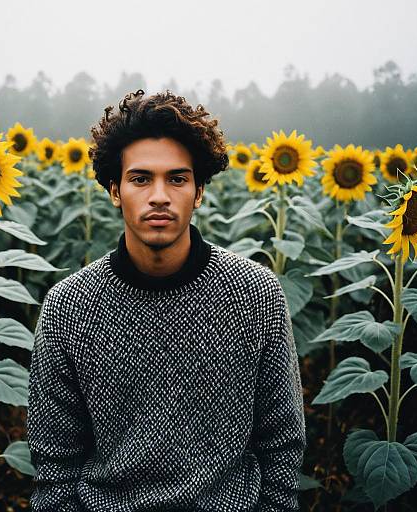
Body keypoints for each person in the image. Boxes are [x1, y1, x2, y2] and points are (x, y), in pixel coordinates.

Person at [26, 89, 306, 512]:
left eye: (177, 179)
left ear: (199, 192)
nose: (159, 196)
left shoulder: (256, 295)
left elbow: (282, 445)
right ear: (114, 190)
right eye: (141, 179)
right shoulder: (69, 307)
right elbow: (55, 467)